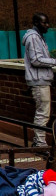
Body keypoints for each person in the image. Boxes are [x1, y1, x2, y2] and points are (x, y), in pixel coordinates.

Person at [23, 12, 56, 147]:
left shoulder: (38, 37)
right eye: (44, 23)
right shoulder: (33, 38)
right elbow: (36, 60)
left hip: (41, 80)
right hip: (39, 81)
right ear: (36, 23)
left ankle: (39, 142)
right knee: (42, 113)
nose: (47, 26)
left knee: (43, 112)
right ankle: (40, 143)